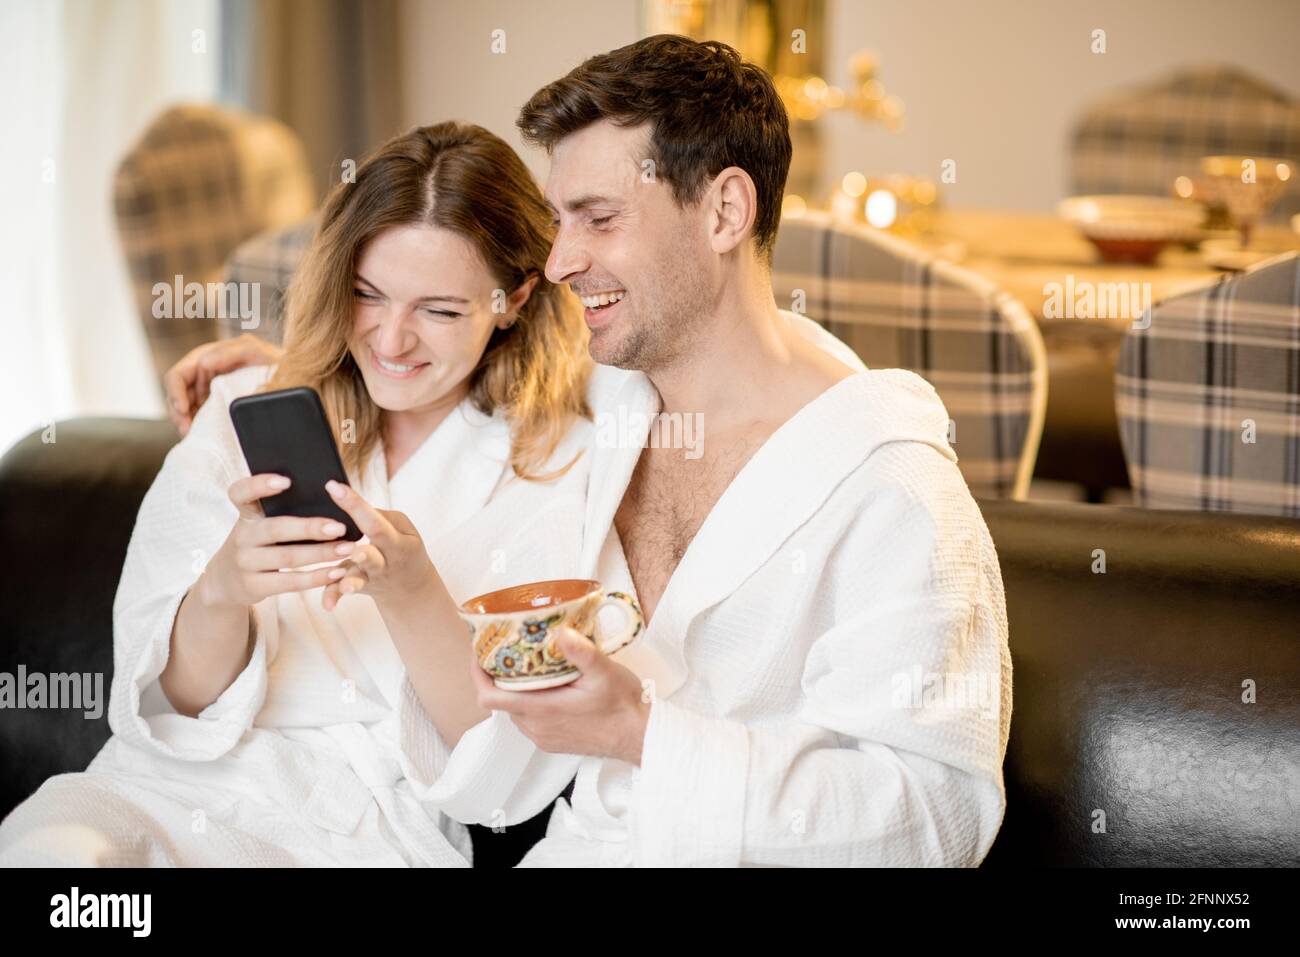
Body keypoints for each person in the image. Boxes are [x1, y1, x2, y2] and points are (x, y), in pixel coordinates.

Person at [162, 35, 1013, 868]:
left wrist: (644, 737)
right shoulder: (612, 400)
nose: (564, 260)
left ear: (724, 211)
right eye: (561, 219)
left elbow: (938, 817)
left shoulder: (890, 486)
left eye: (598, 219)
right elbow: (457, 334)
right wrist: (292, 362)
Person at [0, 122, 595, 866]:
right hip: (160, 790)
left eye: (439, 310)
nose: (391, 339)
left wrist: (412, 591)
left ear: (514, 299)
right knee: (57, 860)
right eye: (366, 294)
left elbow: (499, 770)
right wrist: (223, 590)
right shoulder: (243, 412)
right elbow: (169, 708)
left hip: (350, 827)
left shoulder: (555, 464)